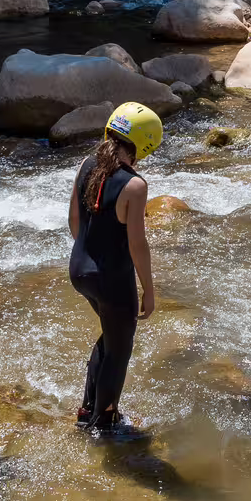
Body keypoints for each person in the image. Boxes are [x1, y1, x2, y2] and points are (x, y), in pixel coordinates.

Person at [66, 102, 161, 438]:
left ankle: (86, 411)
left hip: (79, 271)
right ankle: (104, 423)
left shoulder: (86, 165)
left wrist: (90, 256)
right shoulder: (134, 186)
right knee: (120, 348)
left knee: (110, 335)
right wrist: (148, 290)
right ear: (143, 146)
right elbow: (137, 244)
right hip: (111, 279)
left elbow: (74, 222)